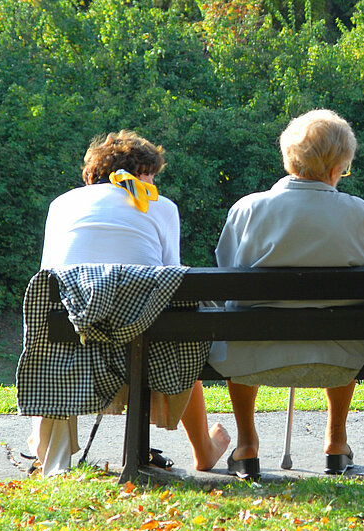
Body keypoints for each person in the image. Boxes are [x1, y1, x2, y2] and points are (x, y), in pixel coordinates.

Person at [30, 130, 230, 476]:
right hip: (146, 333)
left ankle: (47, 452)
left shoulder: (61, 204)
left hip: (74, 331)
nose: (155, 182)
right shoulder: (160, 205)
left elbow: (48, 273)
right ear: (140, 172)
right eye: (152, 175)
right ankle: (204, 450)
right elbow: (169, 276)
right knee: (180, 336)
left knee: (54, 339)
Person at [208, 110, 364, 479]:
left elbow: (226, 272)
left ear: (290, 157)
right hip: (339, 357)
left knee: (240, 320)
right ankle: (336, 442)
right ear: (338, 166)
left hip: (253, 356)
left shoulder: (247, 210)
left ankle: (246, 446)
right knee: (348, 318)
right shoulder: (361, 214)